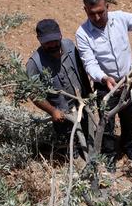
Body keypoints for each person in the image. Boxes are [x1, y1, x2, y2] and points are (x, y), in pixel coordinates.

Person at [75, 0, 132, 171]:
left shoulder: (120, 18)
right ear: (85, 10)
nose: (97, 17)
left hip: (127, 81)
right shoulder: (82, 33)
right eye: (92, 14)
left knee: (128, 118)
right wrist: (104, 78)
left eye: (100, 12)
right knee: (107, 122)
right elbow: (89, 63)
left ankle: (128, 147)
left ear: (107, 6)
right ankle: (110, 155)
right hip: (105, 85)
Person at [26, 19, 92, 152]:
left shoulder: (69, 45)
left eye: (54, 40)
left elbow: (81, 70)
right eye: (47, 42)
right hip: (63, 114)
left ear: (60, 35)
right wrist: (53, 111)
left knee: (90, 137)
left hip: (84, 104)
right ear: (39, 39)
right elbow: (34, 94)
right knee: (71, 146)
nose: (52, 45)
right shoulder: (34, 64)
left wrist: (89, 95)